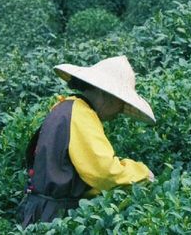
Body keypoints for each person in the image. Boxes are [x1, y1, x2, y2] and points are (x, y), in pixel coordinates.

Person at [16, 55, 155, 228]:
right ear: (106, 95)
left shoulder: (66, 106)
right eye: (121, 103)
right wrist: (142, 173)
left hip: (42, 210)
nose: (120, 111)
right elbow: (104, 173)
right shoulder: (81, 115)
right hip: (56, 217)